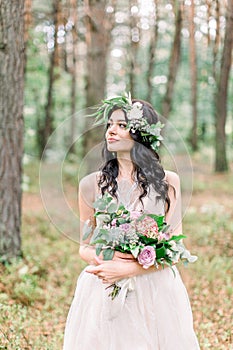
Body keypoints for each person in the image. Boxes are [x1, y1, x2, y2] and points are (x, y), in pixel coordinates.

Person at [63, 94, 200, 350]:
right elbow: (84, 246)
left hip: (156, 288)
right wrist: (107, 262)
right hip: (106, 285)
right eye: (109, 125)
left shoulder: (168, 183)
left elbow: (176, 246)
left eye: (121, 125)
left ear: (141, 133)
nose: (111, 131)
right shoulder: (91, 185)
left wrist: (133, 269)